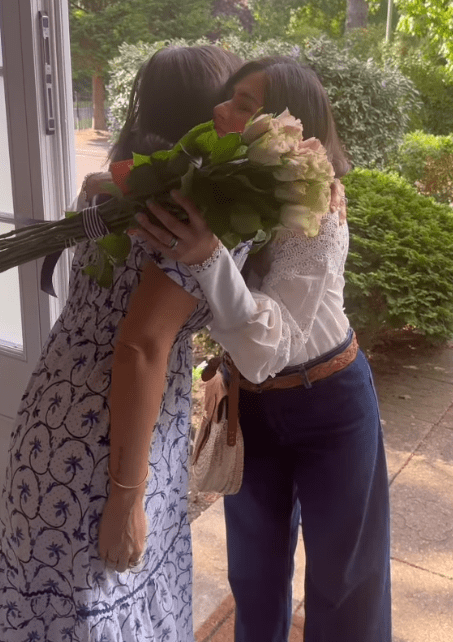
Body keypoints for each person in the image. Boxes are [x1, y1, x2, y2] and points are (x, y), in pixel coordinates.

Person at [134, 57, 391, 642]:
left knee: (345, 586)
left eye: (246, 105)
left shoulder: (317, 206)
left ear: (290, 125)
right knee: (252, 577)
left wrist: (206, 256)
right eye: (228, 98)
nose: (223, 111)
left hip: (329, 400)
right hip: (251, 406)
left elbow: (267, 346)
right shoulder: (220, 184)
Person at [0, 45, 245, 642]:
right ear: (205, 114)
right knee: (100, 603)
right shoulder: (191, 217)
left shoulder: (113, 183)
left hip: (53, 411)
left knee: (54, 600)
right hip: (110, 443)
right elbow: (140, 349)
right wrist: (125, 500)